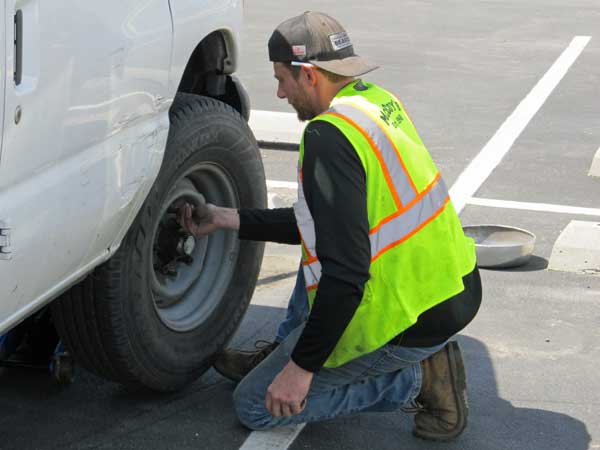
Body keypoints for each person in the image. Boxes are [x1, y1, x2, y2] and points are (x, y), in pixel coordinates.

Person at [178, 11, 482, 441]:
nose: (280, 92)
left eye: (281, 78)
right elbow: (324, 223)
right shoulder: (374, 102)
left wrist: (301, 371)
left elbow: (345, 276)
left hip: (409, 316)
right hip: (446, 283)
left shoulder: (328, 138)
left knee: (256, 405)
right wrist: (228, 219)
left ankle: (422, 379)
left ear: (308, 75)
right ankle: (289, 353)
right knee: (321, 256)